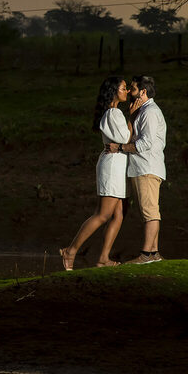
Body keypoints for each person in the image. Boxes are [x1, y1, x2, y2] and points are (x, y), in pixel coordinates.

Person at [59, 76, 135, 270]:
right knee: (103, 214)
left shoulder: (114, 113)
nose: (127, 91)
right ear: (114, 91)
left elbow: (122, 142)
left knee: (119, 213)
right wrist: (132, 119)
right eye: (124, 88)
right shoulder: (113, 113)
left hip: (119, 164)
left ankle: (103, 258)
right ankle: (71, 250)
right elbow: (125, 137)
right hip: (112, 167)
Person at [106, 75, 166, 264]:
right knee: (148, 212)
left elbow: (145, 143)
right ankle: (153, 254)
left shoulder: (149, 112)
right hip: (142, 167)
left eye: (132, 88)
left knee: (150, 212)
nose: (130, 92)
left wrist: (120, 148)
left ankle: (146, 255)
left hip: (146, 167)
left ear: (143, 91)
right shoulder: (143, 111)